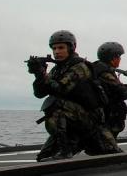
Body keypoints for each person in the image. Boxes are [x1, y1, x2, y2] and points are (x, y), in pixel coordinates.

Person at [28, 30, 120, 161]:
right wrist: (38, 75)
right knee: (43, 157)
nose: (56, 52)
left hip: (92, 121)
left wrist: (42, 74)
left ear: (71, 48)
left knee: (116, 157)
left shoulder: (80, 66)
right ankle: (71, 143)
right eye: (54, 48)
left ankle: (66, 150)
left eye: (61, 48)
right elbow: (39, 93)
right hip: (73, 118)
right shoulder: (57, 69)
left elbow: (61, 88)